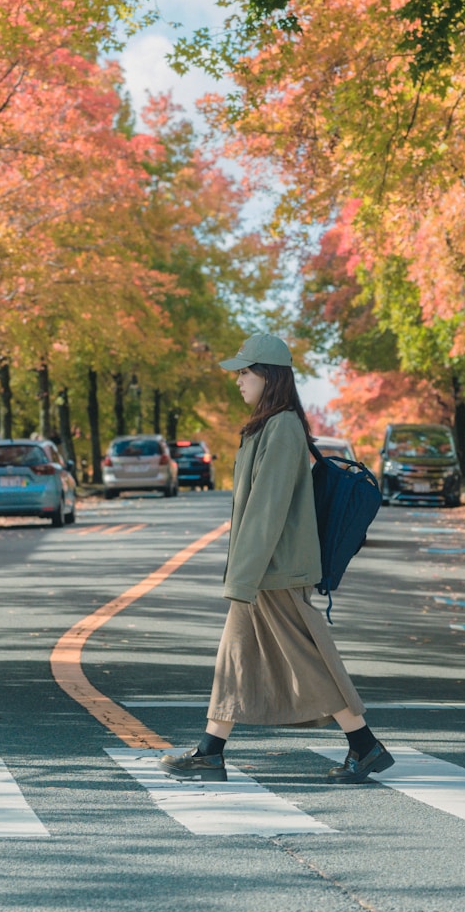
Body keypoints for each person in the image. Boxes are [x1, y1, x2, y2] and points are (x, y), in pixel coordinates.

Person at [159, 332, 394, 785]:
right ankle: (211, 751)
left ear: (268, 375)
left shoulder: (283, 427)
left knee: (308, 660)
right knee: (236, 657)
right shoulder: (269, 425)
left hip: (275, 570)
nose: (238, 381)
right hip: (264, 571)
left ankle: (364, 745)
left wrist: (242, 579)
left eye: (245, 372)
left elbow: (266, 509)